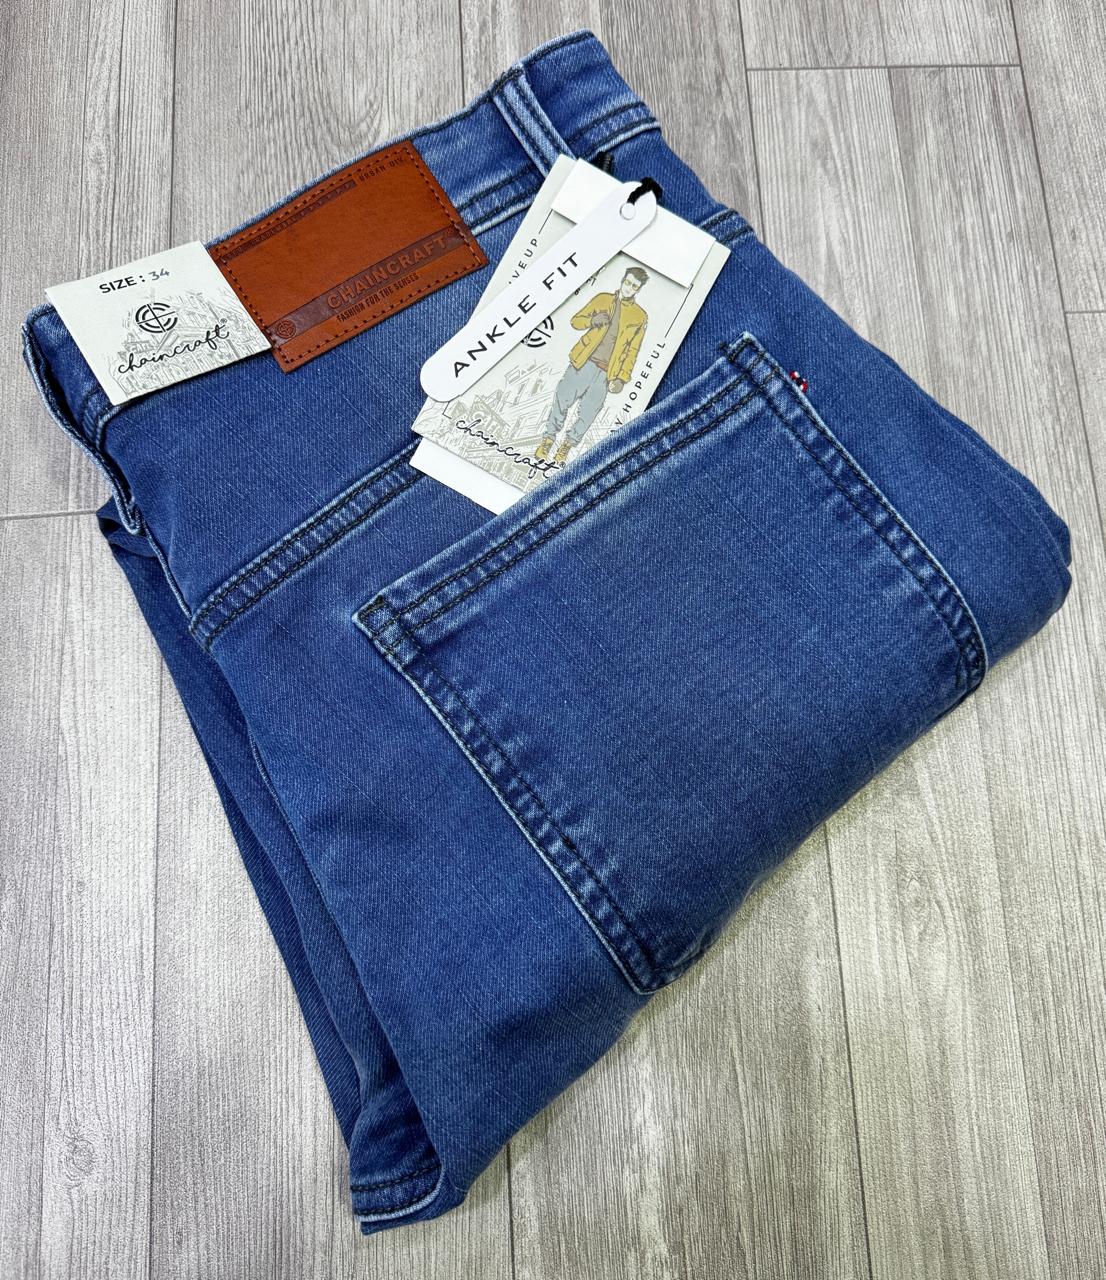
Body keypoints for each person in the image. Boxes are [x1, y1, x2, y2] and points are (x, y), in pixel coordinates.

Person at [535, 265, 649, 465]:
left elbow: (633, 350)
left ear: (638, 290)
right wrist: (593, 320)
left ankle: (566, 446)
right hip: (583, 362)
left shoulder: (640, 317)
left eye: (634, 286)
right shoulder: (603, 299)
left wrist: (622, 378)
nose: (629, 288)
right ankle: (547, 440)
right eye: (628, 282)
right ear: (623, 280)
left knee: (588, 414)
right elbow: (576, 321)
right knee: (562, 400)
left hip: (606, 374)